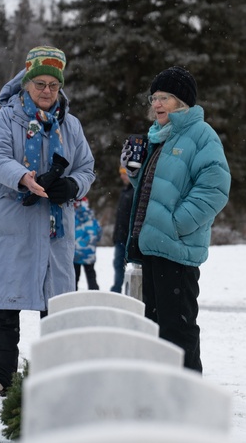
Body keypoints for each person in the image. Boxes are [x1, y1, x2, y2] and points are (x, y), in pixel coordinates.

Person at [0, 46, 96, 396]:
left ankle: (55, 377)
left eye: (53, 86)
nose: (46, 91)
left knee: (56, 310)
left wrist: (73, 185)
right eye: (40, 83)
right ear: (26, 83)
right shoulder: (5, 120)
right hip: (13, 228)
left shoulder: (71, 126)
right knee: (2, 307)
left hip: (54, 232)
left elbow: (87, 168)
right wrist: (24, 178)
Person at [120, 66, 230, 372]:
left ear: (182, 101)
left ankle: (188, 396)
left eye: (164, 97)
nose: (156, 104)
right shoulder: (159, 137)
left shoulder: (201, 135)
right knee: (153, 326)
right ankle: (159, 391)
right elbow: (158, 191)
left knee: (177, 327)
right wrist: (134, 172)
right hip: (151, 247)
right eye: (154, 98)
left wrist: (177, 225)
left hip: (176, 250)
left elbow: (215, 190)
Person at [110, 167, 134, 293]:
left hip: (128, 237)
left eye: (124, 174)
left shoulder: (134, 192)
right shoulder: (124, 192)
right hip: (120, 236)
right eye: (121, 174)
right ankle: (117, 290)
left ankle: (122, 290)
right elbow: (120, 217)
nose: (122, 176)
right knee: (118, 264)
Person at [73, 197, 101, 289]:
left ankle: (71, 298)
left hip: (75, 253)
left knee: (74, 277)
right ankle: (95, 296)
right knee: (91, 276)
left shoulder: (72, 217)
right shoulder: (91, 217)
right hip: (89, 253)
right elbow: (99, 232)